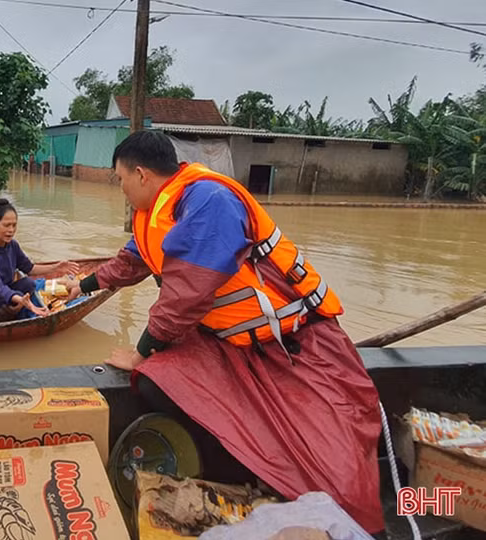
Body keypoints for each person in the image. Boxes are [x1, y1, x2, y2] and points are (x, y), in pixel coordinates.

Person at [65, 131, 385, 534]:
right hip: (232, 341)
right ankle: (239, 464)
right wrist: (83, 285)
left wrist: (141, 352)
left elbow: (185, 293)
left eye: (121, 179)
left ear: (142, 175)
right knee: (154, 383)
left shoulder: (209, 201)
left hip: (292, 344)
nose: (121, 189)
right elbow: (129, 263)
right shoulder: (155, 213)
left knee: (337, 469)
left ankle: (277, 484)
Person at [0, 199, 80, 323]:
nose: (11, 230)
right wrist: (24, 301)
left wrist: (56, 267)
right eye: (6, 225)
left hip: (0, 294)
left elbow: (29, 268)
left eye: (14, 225)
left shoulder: (12, 245)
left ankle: (15, 311)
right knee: (15, 295)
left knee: (29, 284)